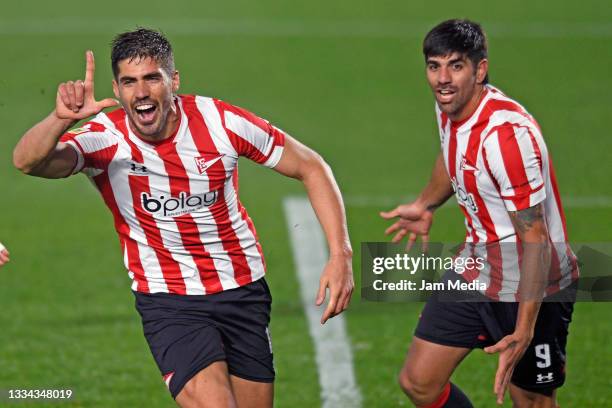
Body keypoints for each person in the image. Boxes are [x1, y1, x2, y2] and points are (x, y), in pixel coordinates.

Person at [13, 28, 354, 408]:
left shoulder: (221, 122)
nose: (140, 92)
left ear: (173, 80)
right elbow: (28, 161)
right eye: (129, 82)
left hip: (242, 288)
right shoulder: (105, 138)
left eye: (151, 78)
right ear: (117, 88)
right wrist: (59, 120)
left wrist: (341, 255)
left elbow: (311, 166)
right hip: (168, 299)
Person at [380, 19, 578, 407]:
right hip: (478, 267)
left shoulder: (507, 138)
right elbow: (453, 154)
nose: (442, 79)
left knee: (531, 400)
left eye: (455, 66)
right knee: (419, 381)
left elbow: (535, 238)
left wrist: (524, 329)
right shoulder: (450, 107)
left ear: (480, 69)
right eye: (434, 66)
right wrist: (425, 204)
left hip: (535, 281)